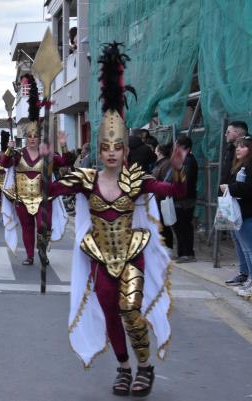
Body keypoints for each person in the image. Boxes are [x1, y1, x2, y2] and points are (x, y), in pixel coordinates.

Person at [48, 42, 187, 397]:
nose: (111, 153)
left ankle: (145, 368)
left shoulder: (136, 180)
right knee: (110, 311)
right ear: (100, 148)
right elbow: (50, 188)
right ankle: (124, 368)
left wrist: (177, 172)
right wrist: (54, 155)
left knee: (130, 309)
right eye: (105, 148)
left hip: (131, 254)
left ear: (125, 149)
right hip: (99, 257)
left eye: (117, 147)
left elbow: (175, 193)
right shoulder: (86, 178)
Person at [0, 73, 72, 266]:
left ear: (39, 137)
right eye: (29, 135)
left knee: (42, 226)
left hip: (42, 198)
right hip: (22, 198)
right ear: (26, 136)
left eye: (35, 135)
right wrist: (8, 147)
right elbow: (4, 164)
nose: (32, 138)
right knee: (27, 227)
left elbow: (65, 162)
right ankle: (30, 255)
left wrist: (63, 144)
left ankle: (42, 251)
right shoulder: (17, 153)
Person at [220, 135, 252, 296]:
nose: (238, 149)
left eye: (243, 146)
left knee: (250, 249)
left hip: (247, 213)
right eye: (238, 146)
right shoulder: (239, 165)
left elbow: (247, 188)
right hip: (238, 213)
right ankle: (247, 278)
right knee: (245, 249)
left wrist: (231, 188)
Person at [172, 134, 198, 263]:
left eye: (177, 145)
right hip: (182, 196)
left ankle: (187, 253)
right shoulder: (184, 159)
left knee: (184, 225)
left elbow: (184, 179)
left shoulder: (188, 160)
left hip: (185, 198)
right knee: (179, 225)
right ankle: (182, 252)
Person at [151, 143, 174, 249]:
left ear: (159, 152)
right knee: (160, 223)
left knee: (164, 224)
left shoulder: (166, 164)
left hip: (162, 197)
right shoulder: (159, 164)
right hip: (157, 197)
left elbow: (165, 181)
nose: (154, 152)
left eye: (156, 150)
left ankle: (167, 246)